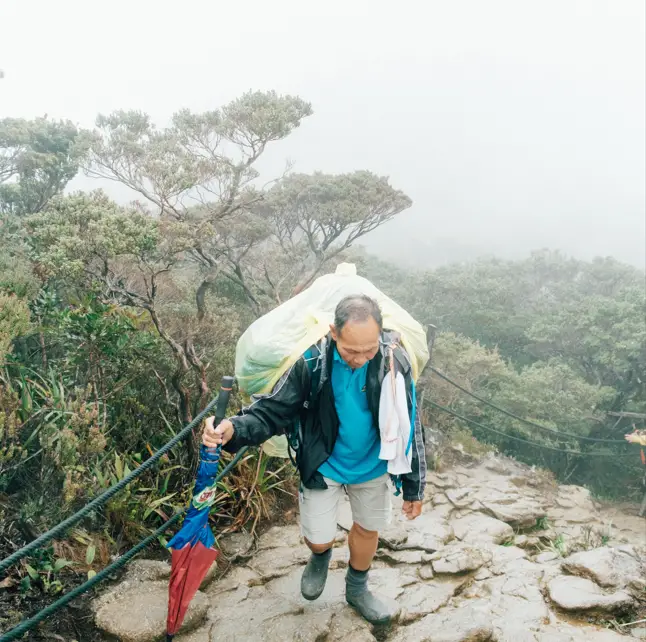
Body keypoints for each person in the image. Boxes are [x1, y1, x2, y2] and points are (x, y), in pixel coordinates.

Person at [203, 294, 426, 624]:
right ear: (333, 332)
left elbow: (410, 421)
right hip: (324, 463)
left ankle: (357, 589)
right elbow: (272, 411)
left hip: (375, 463)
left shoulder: (395, 361)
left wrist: (414, 486)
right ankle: (320, 554)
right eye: (352, 351)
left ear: (380, 334)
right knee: (318, 536)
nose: (362, 359)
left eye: (369, 349)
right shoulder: (310, 363)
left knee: (368, 529)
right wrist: (232, 430)